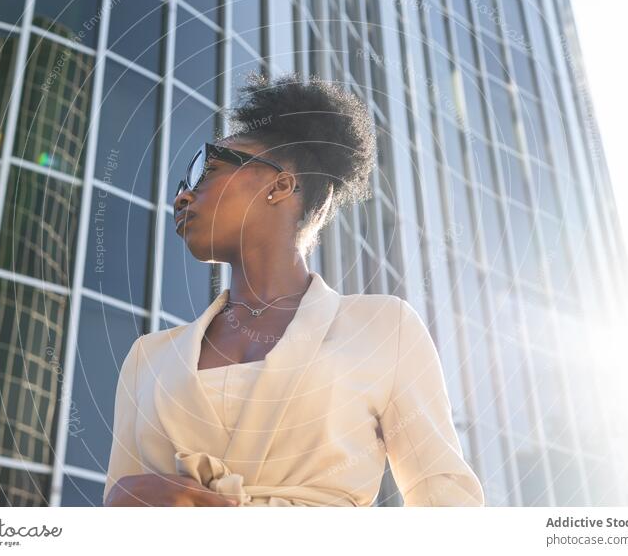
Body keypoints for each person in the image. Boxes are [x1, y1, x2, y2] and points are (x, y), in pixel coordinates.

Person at [103, 71, 484, 507]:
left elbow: (445, 499)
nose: (182, 197)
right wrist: (121, 500)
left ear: (280, 184)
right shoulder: (146, 359)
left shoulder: (382, 327)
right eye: (182, 184)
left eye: (205, 170)